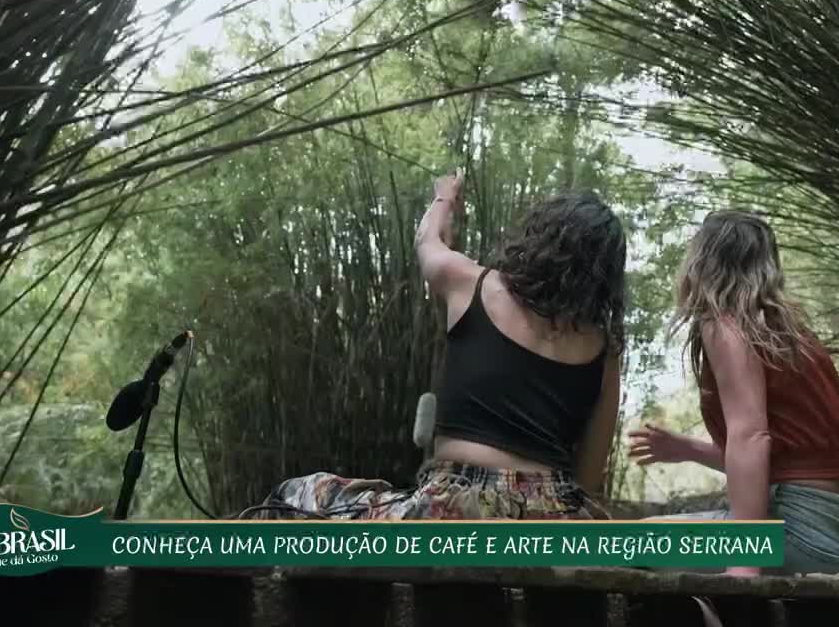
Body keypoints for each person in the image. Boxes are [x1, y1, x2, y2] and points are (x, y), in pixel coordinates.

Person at [248, 170, 626, 520]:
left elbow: (427, 241)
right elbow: (588, 479)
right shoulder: (604, 352)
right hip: (552, 517)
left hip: (455, 506)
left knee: (297, 494)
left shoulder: (472, 283)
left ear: (541, 238)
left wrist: (444, 198)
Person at [628, 210, 839, 577]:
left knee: (618, 545)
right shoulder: (792, 336)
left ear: (703, 261)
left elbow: (751, 436)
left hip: (793, 531)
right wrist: (687, 450)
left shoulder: (725, 322)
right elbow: (787, 461)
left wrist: (745, 561)